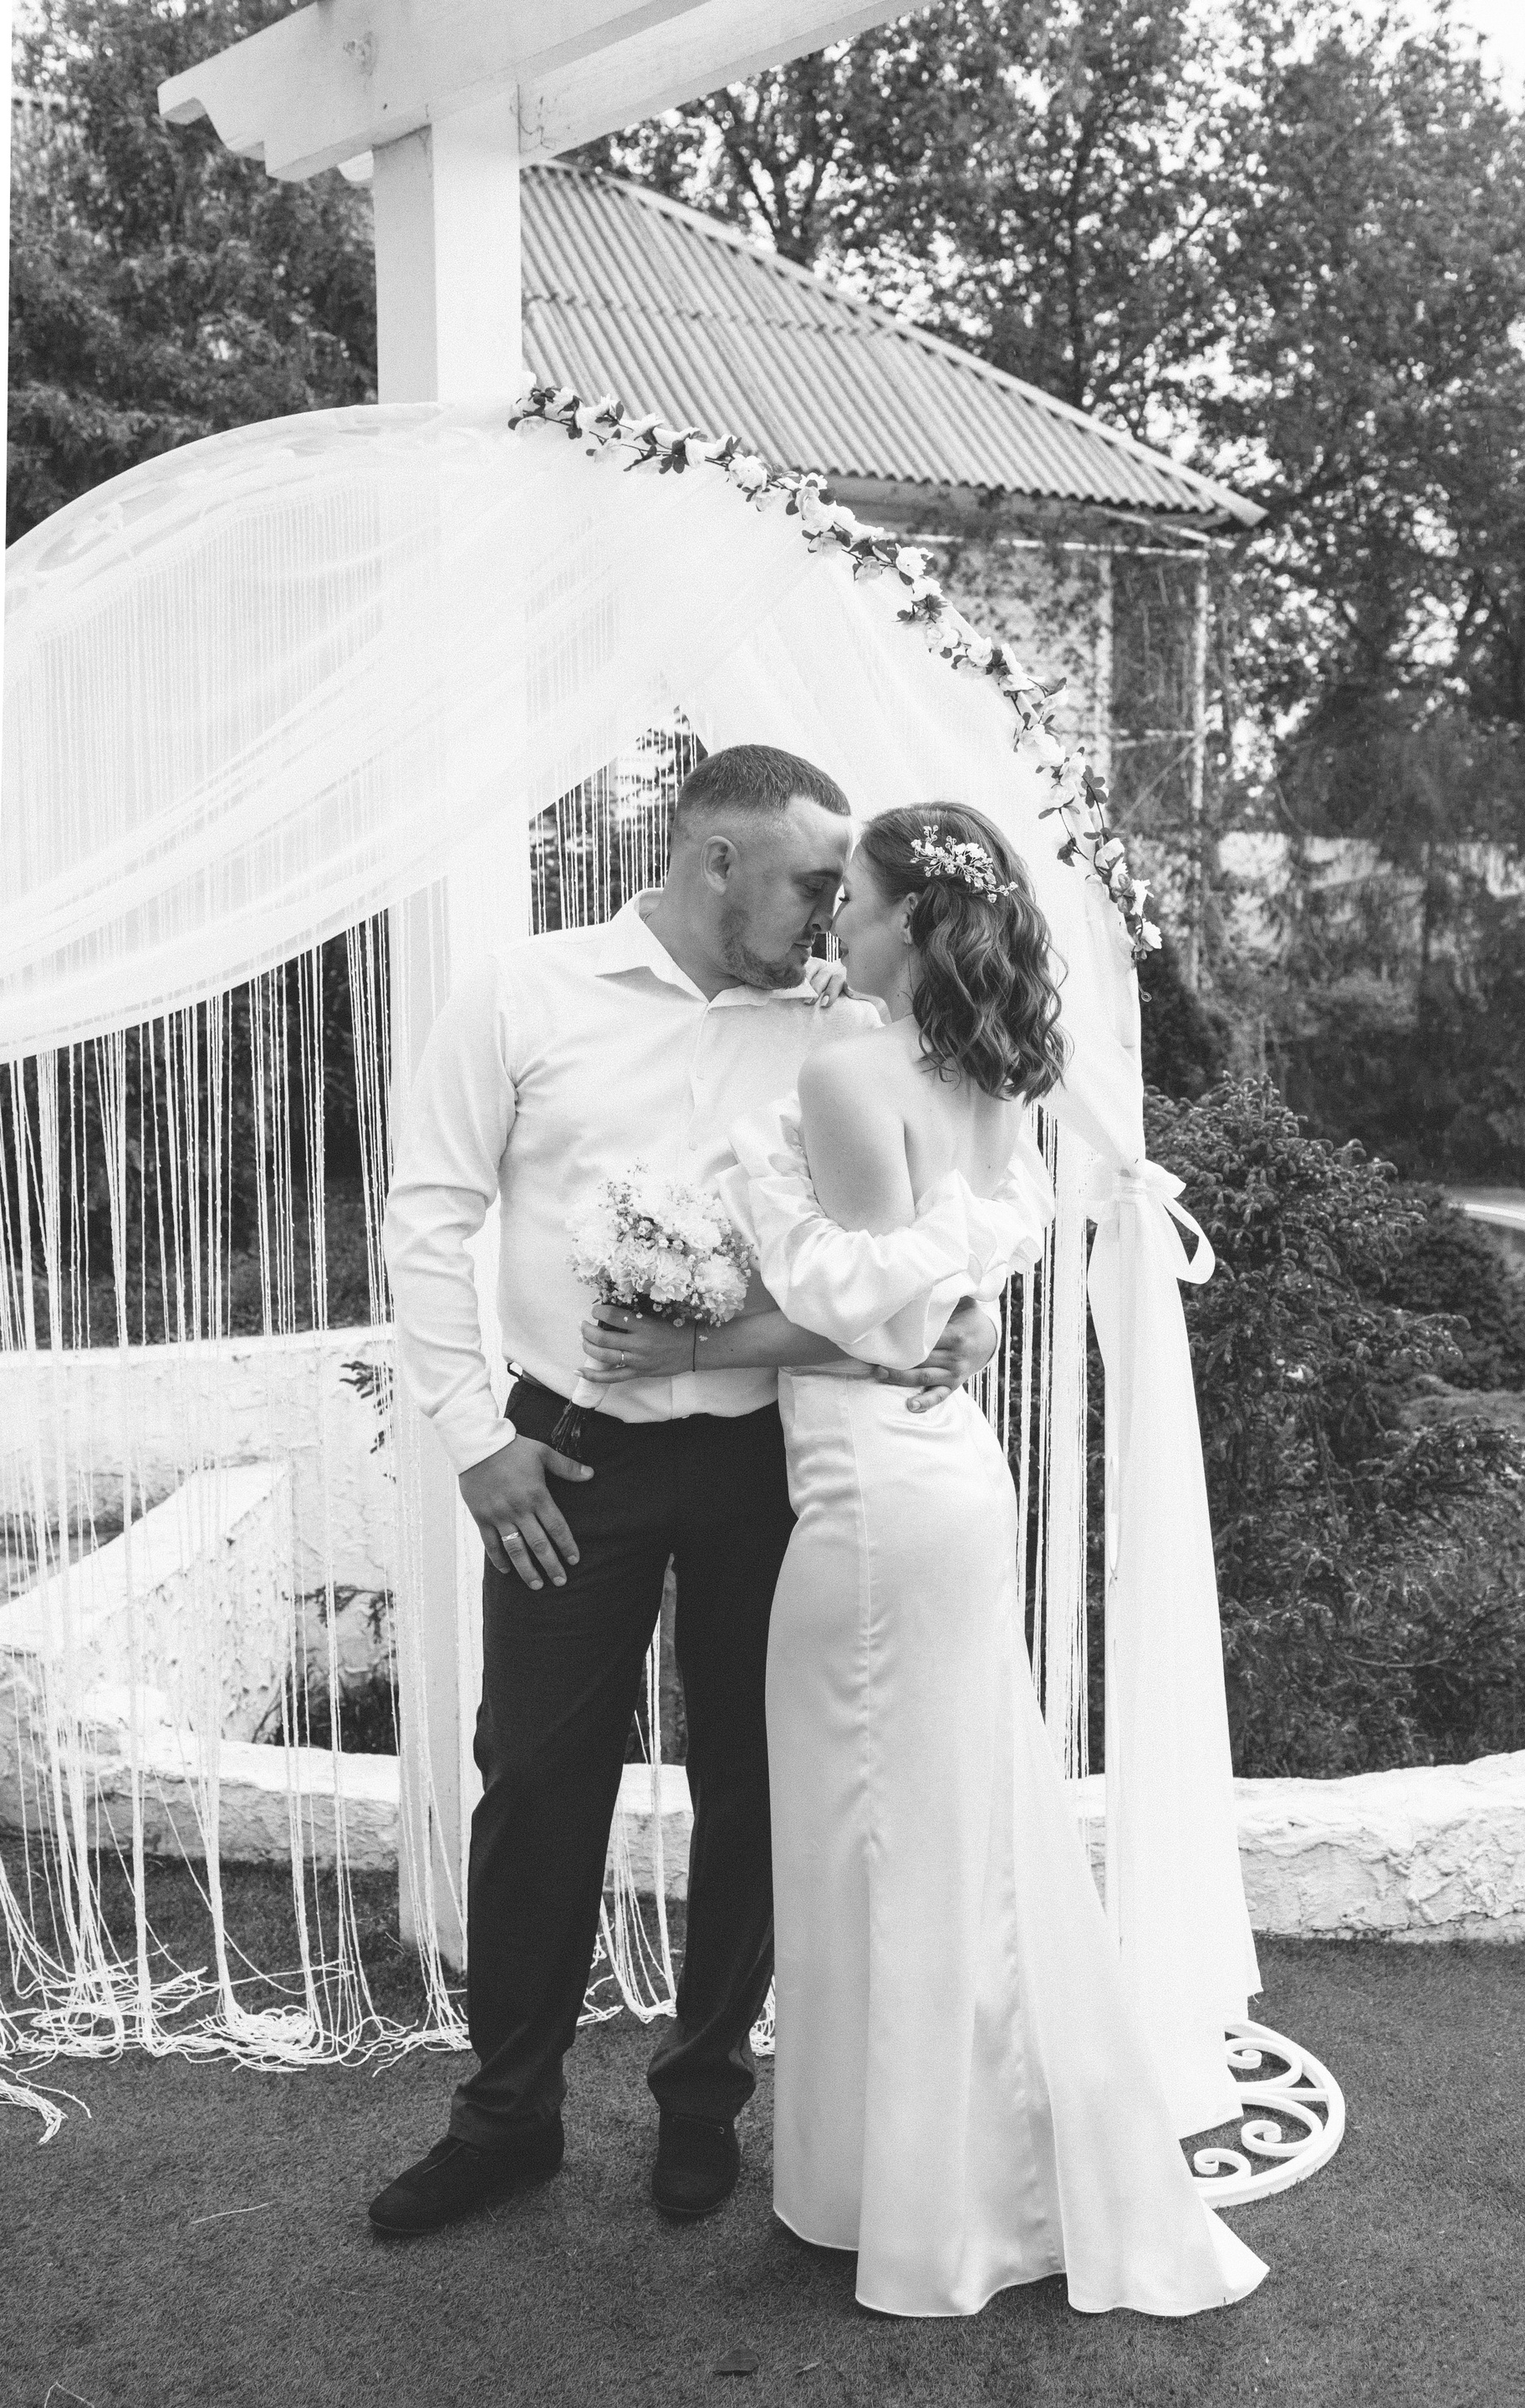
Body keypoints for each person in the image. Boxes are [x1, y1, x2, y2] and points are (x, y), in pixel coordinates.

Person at [590, 804, 1267, 2319]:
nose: (836, 917)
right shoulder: (989, 1073)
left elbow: (874, 1319)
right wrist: (956, 1319)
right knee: (938, 1836)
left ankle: (917, 2200)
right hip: (944, 1476)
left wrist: (691, 1343)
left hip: (873, 1498)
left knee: (870, 1843)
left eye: (856, 897)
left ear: (907, 919)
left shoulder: (849, 1069)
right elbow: (939, 1299)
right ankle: (932, 2171)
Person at [369, 747, 1002, 2237]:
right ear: (718, 861)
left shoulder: (842, 1025)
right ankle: (506, 2118)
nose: (831, 914)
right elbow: (429, 1218)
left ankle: (704, 2100)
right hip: (563, 1456)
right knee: (536, 1779)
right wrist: (475, 1440)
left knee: (756, 1784)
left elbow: (945, 1192)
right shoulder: (524, 993)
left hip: (766, 1457)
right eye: (810, 884)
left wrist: (967, 1310)